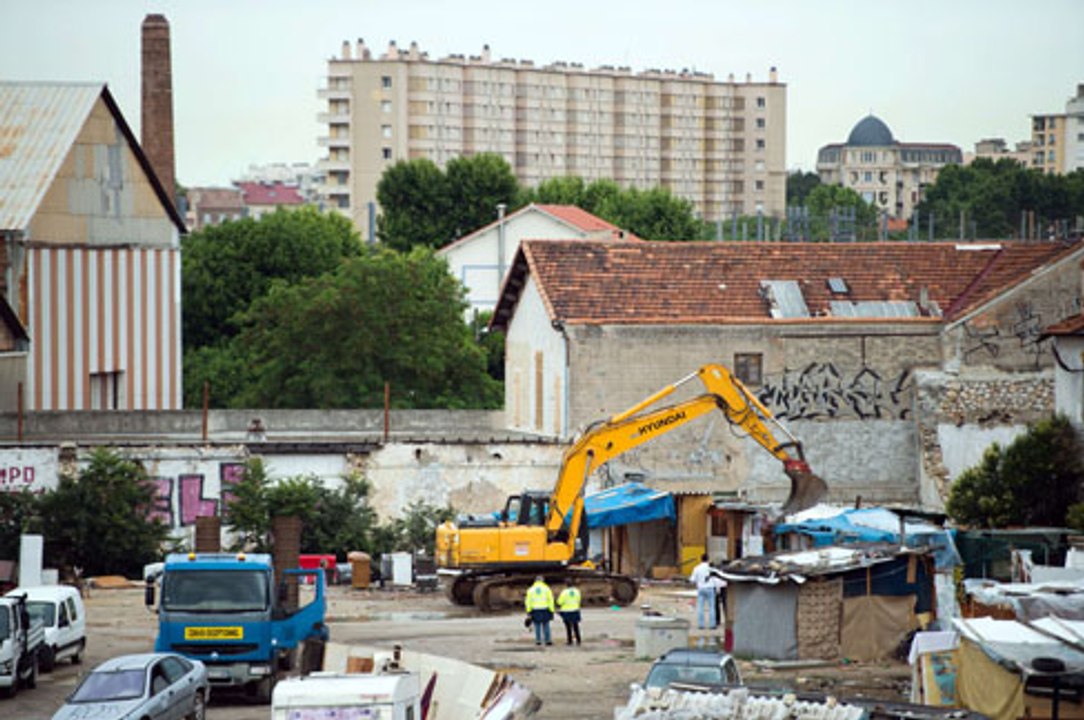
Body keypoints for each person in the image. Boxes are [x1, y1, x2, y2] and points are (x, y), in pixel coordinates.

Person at [689, 553, 717, 630]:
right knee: (712, 607)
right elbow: (715, 579)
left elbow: (692, 580)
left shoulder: (696, 568)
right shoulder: (711, 568)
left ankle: (701, 625)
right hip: (710, 588)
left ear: (701, 559)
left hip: (701, 588)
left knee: (700, 607)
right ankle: (712, 624)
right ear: (708, 559)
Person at [525, 575, 555, 646]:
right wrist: (551, 610)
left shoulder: (531, 589)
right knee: (546, 625)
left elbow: (528, 601)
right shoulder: (547, 589)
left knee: (537, 625)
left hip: (535, 609)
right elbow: (550, 600)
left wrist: (528, 610)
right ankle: (548, 640)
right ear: (543, 581)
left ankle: (538, 640)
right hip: (545, 608)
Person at [556, 579, 582, 646]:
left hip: (566, 611)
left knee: (568, 627)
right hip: (575, 610)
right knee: (576, 626)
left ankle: (570, 640)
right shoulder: (577, 591)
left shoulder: (564, 592)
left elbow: (560, 602)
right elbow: (579, 600)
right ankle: (578, 640)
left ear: (566, 584)